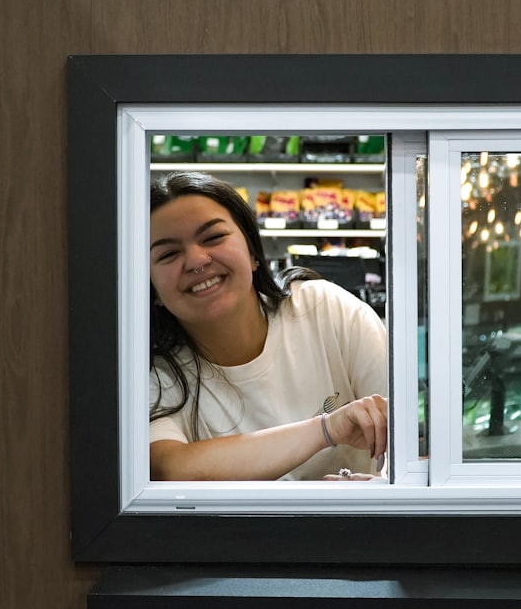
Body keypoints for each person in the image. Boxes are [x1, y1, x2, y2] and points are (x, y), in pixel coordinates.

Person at [148, 171, 388, 481]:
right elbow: (171, 467)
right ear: (153, 290)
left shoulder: (325, 310)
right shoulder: (156, 373)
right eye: (168, 254)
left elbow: (408, 435)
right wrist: (327, 429)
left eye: (213, 237)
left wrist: (383, 488)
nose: (196, 260)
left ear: (253, 254)